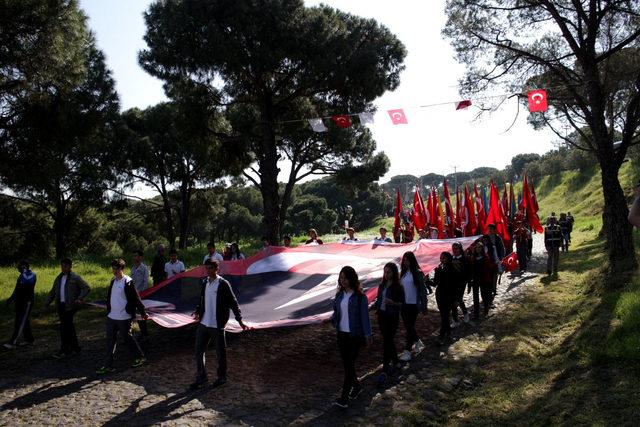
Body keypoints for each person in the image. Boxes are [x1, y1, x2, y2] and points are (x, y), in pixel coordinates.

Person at [190, 259, 248, 389]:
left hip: (217, 325)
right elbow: (202, 299)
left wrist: (240, 320)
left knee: (220, 353)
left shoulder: (223, 284)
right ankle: (202, 377)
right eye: (207, 268)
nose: (208, 271)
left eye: (211, 268)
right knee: (199, 350)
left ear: (217, 269)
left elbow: (233, 302)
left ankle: (222, 377)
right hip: (204, 323)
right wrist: (198, 310)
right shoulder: (204, 283)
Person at [96, 259, 148, 374]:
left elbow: (136, 298)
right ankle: (108, 365)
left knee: (127, 338)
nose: (114, 271)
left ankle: (140, 356)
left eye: (116, 269)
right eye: (113, 268)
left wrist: (143, 312)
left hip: (124, 317)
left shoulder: (128, 281)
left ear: (122, 269)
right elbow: (110, 296)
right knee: (110, 341)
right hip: (112, 316)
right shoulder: (113, 281)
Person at [331, 266, 372, 409]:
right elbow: (336, 313)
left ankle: (343, 399)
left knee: (349, 367)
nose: (343, 281)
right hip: (341, 334)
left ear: (352, 278)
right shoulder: (339, 295)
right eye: (341, 278)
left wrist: (368, 336)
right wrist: (331, 320)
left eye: (346, 278)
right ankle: (357, 387)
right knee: (348, 366)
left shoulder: (360, 297)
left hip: (354, 336)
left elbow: (365, 318)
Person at [45, 258, 90, 358]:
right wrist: (47, 302)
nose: (63, 268)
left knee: (64, 328)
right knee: (68, 327)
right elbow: (53, 291)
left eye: (66, 266)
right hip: (60, 306)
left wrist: (79, 298)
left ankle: (64, 350)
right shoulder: (59, 278)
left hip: (70, 306)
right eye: (62, 266)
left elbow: (86, 287)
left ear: (70, 266)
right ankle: (75, 348)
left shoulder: (75, 277)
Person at [373, 262, 405, 384]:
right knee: (388, 341)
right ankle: (396, 362)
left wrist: (393, 303)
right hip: (382, 316)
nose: (386, 274)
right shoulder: (382, 285)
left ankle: (385, 369)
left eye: (389, 272)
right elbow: (378, 300)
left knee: (388, 341)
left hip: (392, 317)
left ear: (394, 273)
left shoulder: (398, 287)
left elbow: (402, 304)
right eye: (385, 272)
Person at [399, 251, 428, 362]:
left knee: (410, 327)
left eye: (407, 260)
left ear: (412, 260)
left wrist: (424, 305)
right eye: (404, 260)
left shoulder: (417, 273)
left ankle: (407, 351)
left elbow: (422, 290)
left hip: (413, 304)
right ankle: (417, 342)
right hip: (404, 304)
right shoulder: (403, 273)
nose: (406, 262)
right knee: (408, 327)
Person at [4, 260, 36, 349]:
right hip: (20, 302)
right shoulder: (21, 276)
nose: (18, 267)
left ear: (24, 266)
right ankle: (30, 340)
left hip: (27, 302)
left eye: (19, 266)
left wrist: (24, 271)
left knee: (19, 322)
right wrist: (11, 299)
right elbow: (17, 290)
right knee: (24, 321)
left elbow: (28, 281)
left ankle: (12, 342)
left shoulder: (31, 275)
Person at [434, 252, 456, 345]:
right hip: (440, 295)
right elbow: (435, 282)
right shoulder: (439, 269)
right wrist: (427, 281)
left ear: (448, 259)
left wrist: (457, 298)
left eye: (444, 258)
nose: (442, 260)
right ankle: (449, 333)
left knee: (445, 316)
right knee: (444, 315)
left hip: (449, 295)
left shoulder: (453, 269)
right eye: (441, 258)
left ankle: (441, 337)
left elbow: (456, 284)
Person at [469, 243, 493, 320]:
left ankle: (486, 309)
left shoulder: (485, 257)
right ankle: (476, 314)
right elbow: (471, 267)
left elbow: (489, 267)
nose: (478, 249)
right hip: (475, 279)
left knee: (484, 295)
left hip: (484, 279)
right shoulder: (473, 257)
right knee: (475, 297)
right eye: (477, 247)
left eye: (480, 247)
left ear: (482, 248)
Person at [131, 250, 150, 337]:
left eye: (136, 256)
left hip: (141, 295)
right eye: (134, 256)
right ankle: (140, 333)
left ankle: (144, 334)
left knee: (142, 314)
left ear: (140, 257)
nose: (134, 257)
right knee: (135, 314)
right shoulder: (133, 268)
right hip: (133, 295)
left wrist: (142, 295)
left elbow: (146, 282)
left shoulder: (144, 268)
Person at [451, 242, 471, 325]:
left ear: (460, 249)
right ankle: (456, 318)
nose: (455, 250)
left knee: (458, 300)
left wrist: (469, 283)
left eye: (456, 248)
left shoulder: (465, 259)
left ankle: (463, 314)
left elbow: (468, 272)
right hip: (452, 282)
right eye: (453, 249)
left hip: (461, 283)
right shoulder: (451, 258)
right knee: (453, 300)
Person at [486, 224, 505, 298]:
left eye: (491, 229)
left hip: (496, 259)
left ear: (494, 230)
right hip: (488, 260)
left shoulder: (498, 238)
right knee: (489, 275)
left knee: (495, 275)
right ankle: (489, 289)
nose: (489, 230)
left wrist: (501, 258)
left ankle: (494, 289)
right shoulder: (486, 238)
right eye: (489, 229)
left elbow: (502, 248)